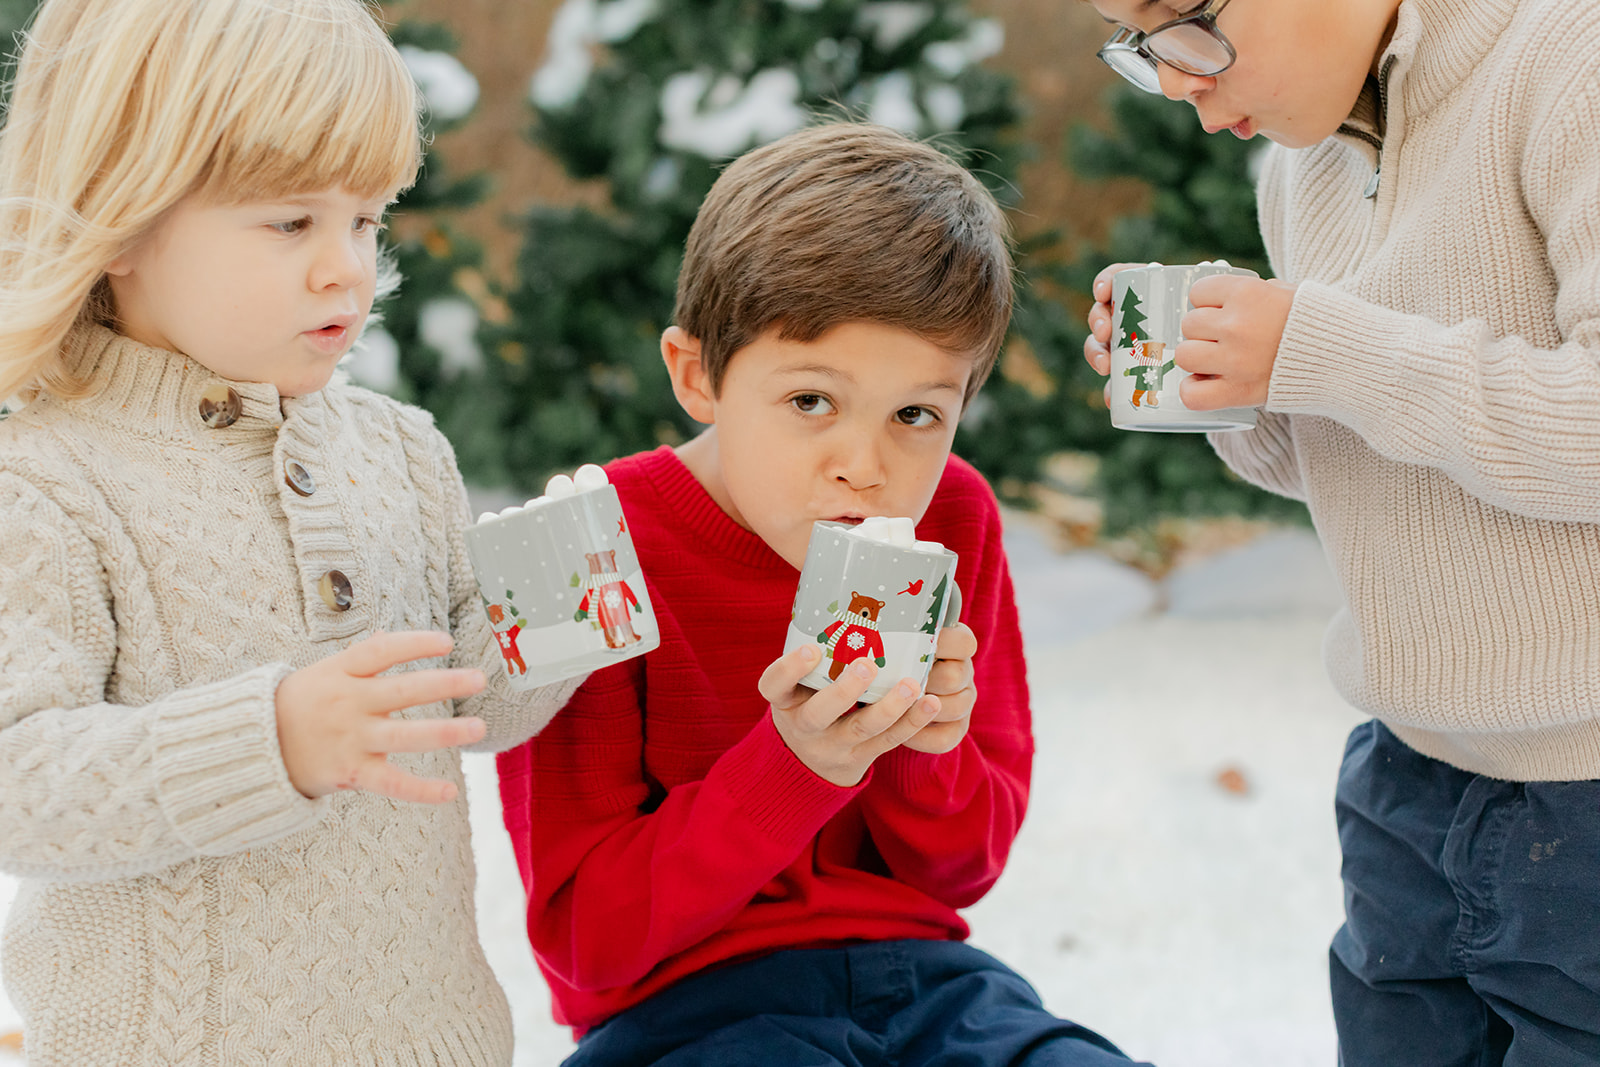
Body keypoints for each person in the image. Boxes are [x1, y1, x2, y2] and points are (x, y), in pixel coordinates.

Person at [0, 1, 584, 1063]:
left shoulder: (404, 451)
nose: (344, 269)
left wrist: (563, 599)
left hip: (431, 1038)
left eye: (366, 219)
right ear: (121, 220)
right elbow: (19, 782)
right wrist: (268, 740)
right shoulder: (44, 482)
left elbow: (466, 704)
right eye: (290, 222)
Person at [497, 122, 1148, 1066]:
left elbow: (964, 872)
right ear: (697, 374)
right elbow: (583, 940)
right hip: (688, 1013)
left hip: (930, 985)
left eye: (917, 414)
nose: (865, 468)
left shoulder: (953, 513)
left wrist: (928, 746)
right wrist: (797, 765)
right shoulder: (576, 548)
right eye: (812, 401)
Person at [1080, 1, 1600, 1063]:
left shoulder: (1569, 62)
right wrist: (1240, 393)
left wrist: (1321, 346)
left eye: (1178, 22)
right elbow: (1359, 467)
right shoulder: (1297, 160)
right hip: (1404, 774)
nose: (1176, 78)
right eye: (1135, 43)